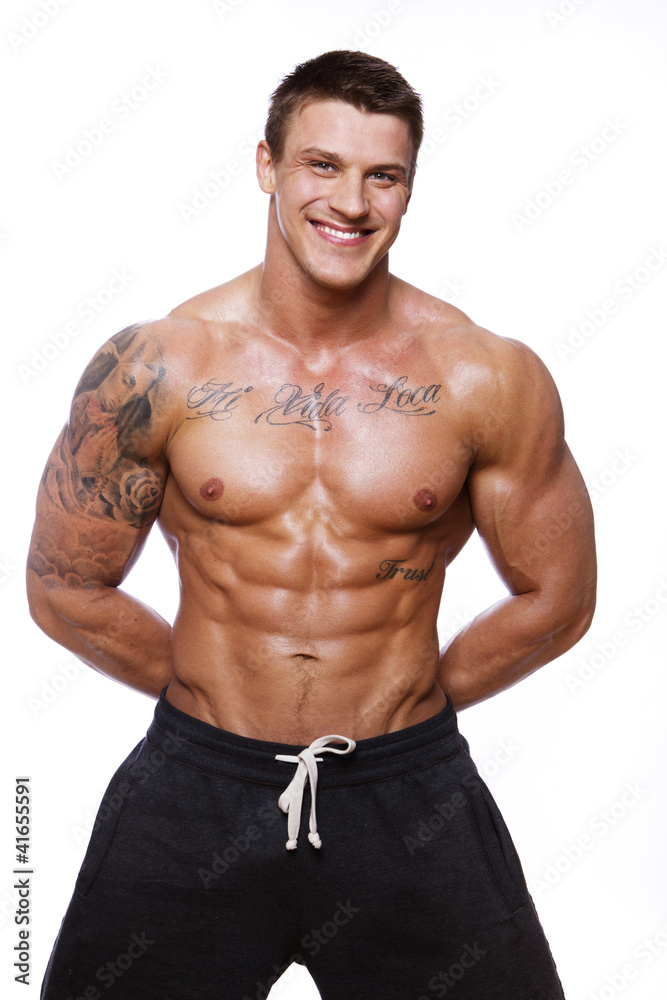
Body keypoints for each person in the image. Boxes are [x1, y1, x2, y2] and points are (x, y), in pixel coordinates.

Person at [28, 50, 596, 1000]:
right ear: (267, 166)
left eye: (383, 176)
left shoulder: (484, 376)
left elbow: (558, 597)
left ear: (409, 189)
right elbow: (64, 585)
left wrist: (408, 705)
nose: (351, 202)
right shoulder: (158, 365)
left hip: (407, 795)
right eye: (321, 166)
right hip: (195, 791)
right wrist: (217, 699)